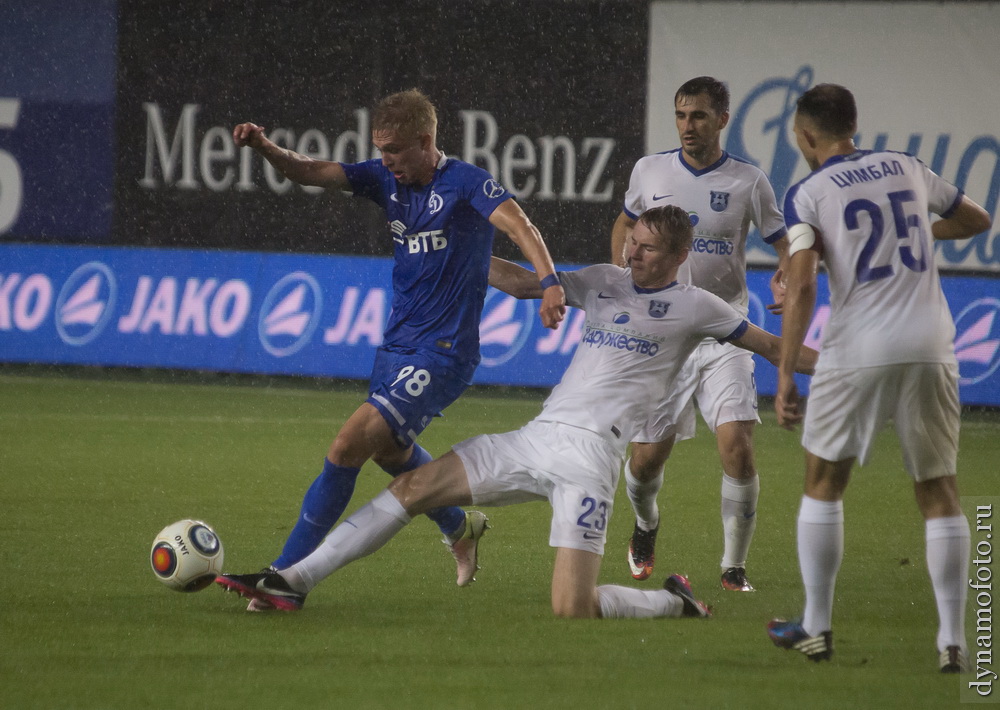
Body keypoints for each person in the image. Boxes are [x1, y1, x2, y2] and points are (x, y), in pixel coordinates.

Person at [215, 205, 818, 618]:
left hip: (591, 458)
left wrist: (844, 368)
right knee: (415, 485)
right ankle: (294, 582)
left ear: (680, 254)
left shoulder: (700, 307)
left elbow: (773, 347)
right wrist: (456, 257)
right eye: (632, 242)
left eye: (648, 248)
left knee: (570, 609)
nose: (632, 254)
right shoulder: (606, 279)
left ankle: (672, 601)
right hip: (535, 437)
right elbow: (527, 282)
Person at [230, 89, 566, 609]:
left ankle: (284, 577)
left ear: (426, 141)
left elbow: (519, 224)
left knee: (347, 446)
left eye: (395, 150)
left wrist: (550, 283)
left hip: (443, 353)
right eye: (380, 149)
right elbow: (310, 170)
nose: (386, 161)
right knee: (390, 451)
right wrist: (265, 148)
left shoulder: (465, 183)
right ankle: (459, 525)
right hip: (396, 348)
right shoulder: (383, 178)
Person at [766, 84, 992, 671]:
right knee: (939, 489)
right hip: (932, 344)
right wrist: (916, 231)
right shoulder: (907, 166)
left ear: (806, 136)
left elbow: (805, 283)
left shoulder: (808, 192)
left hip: (858, 345)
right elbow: (976, 218)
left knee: (824, 480)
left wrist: (786, 372)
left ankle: (816, 626)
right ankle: (953, 641)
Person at [609, 77, 789, 591]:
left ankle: (734, 567)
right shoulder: (650, 170)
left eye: (700, 116)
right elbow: (624, 225)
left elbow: (784, 244)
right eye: (682, 116)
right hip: (663, 335)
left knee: (737, 445)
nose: (689, 126)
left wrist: (786, 274)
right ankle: (645, 525)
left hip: (723, 331)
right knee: (645, 463)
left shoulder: (749, 181)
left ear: (723, 120)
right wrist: (622, 274)